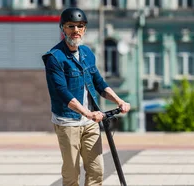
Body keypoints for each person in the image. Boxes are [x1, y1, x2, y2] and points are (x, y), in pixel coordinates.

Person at [41, 7, 131, 186]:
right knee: (71, 173)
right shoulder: (55, 58)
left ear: (85, 29)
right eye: (71, 26)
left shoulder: (87, 54)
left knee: (96, 170)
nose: (76, 31)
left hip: (90, 123)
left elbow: (99, 83)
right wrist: (88, 113)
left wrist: (119, 101)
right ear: (63, 28)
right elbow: (63, 94)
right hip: (68, 122)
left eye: (80, 26)